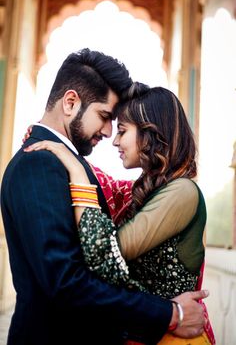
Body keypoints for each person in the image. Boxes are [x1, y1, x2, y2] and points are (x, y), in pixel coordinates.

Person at [1, 49, 208, 345]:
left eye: (120, 126)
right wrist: (169, 313)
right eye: (105, 116)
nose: (109, 133)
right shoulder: (41, 163)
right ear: (71, 103)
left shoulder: (65, 164)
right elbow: (66, 282)